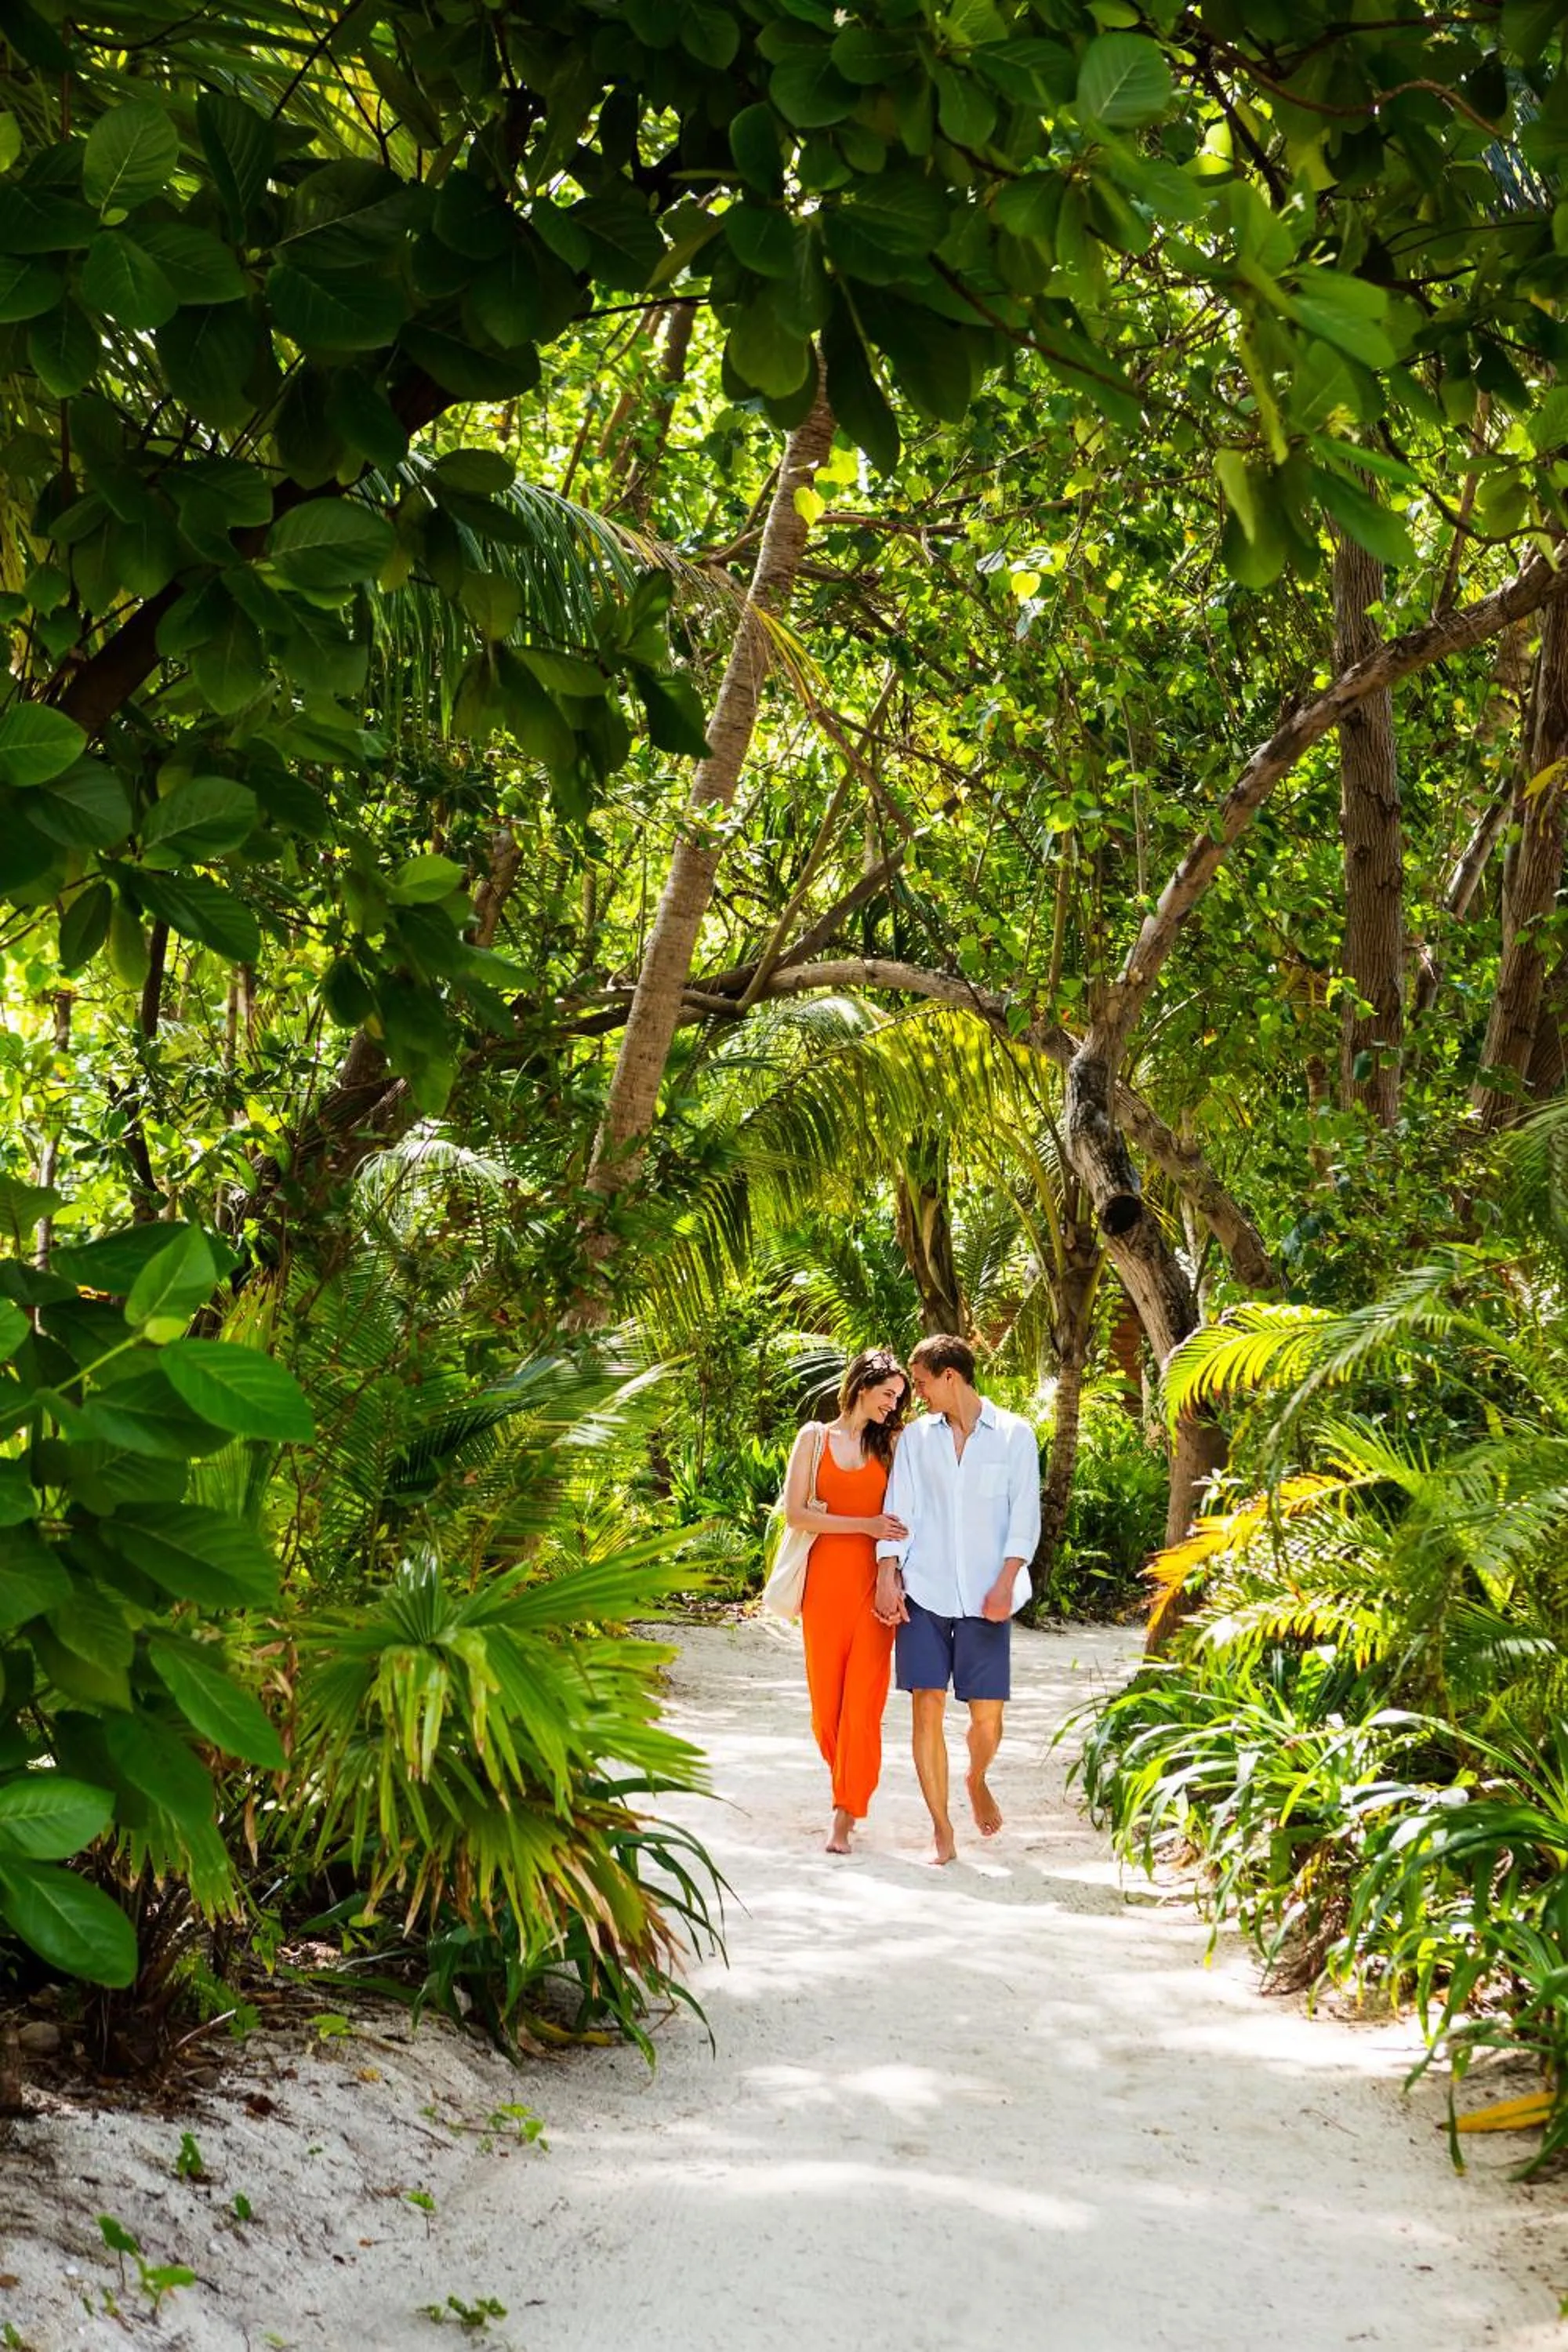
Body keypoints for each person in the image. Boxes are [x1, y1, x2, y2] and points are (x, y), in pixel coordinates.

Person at [874, 1334, 1040, 1865]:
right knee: (927, 1705)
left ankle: (976, 1776)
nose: (914, 1395)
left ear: (951, 1377)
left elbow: (1024, 1517)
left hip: (990, 1596)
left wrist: (1007, 1580)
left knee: (987, 1719)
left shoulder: (1015, 1436)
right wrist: (887, 1572)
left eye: (920, 1383)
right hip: (925, 1589)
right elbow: (899, 1510)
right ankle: (942, 1829)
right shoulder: (918, 1440)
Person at [781, 1348, 909, 1854]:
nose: (892, 1406)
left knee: (864, 1702)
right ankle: (847, 1784)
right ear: (862, 1386)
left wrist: (892, 1572)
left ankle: (844, 1812)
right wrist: (864, 1524)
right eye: (887, 1394)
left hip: (875, 1588)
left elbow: (903, 1517)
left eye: (898, 1398)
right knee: (826, 1710)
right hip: (823, 1587)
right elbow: (796, 1514)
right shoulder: (813, 1439)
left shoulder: (893, 1445)